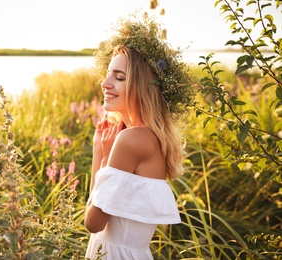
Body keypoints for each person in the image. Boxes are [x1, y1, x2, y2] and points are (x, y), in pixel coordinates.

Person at [84, 14, 195, 260]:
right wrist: (101, 147)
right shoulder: (146, 136)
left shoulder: (132, 139)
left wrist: (100, 155)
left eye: (119, 77)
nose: (105, 83)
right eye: (108, 74)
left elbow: (92, 222)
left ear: (142, 86)